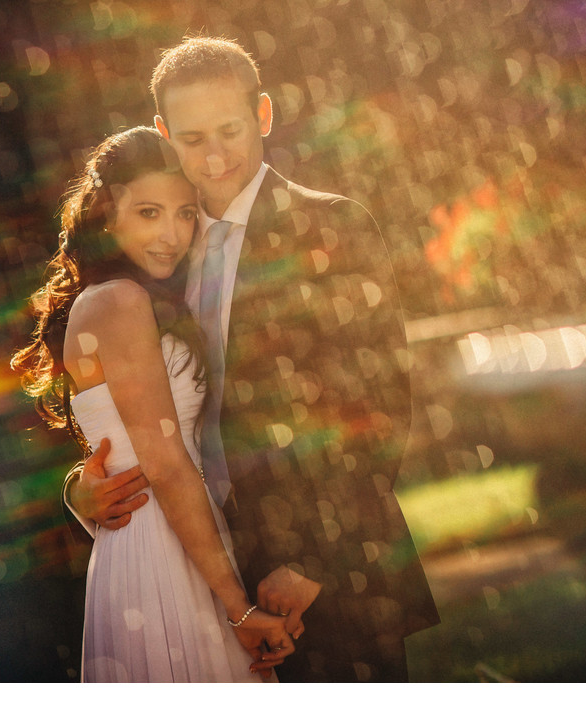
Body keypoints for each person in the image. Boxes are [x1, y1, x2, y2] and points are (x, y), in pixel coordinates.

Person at [63, 36, 440, 682]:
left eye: (231, 131)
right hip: (200, 577)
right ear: (163, 134)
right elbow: (120, 414)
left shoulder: (333, 229)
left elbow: (379, 410)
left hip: (326, 577)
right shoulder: (154, 261)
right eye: (191, 138)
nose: (213, 158)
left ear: (263, 116)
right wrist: (79, 490)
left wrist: (315, 560)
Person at [12, 126, 294, 682]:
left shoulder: (143, 297)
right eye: (148, 213)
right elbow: (164, 465)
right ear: (106, 215)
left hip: (185, 537)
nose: (171, 234)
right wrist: (237, 608)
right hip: (161, 549)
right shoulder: (119, 300)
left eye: (185, 214)